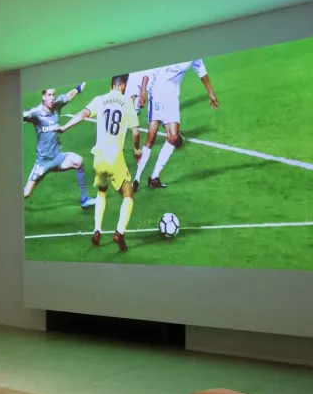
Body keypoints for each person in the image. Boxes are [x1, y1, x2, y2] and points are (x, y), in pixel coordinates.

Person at [59, 74, 137, 252]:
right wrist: (137, 150)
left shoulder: (99, 100)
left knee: (102, 192)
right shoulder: (127, 103)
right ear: (123, 86)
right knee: (128, 194)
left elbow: (83, 114)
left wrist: (65, 127)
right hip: (115, 159)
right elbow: (135, 133)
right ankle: (119, 232)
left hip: (99, 159)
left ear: (111, 85)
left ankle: (97, 230)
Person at [131, 58, 219, 189]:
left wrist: (211, 93)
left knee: (173, 137)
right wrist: (143, 91)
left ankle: (154, 177)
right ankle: (136, 180)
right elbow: (149, 71)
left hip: (172, 97)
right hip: (157, 93)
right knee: (151, 137)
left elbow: (201, 71)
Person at [22, 83, 91, 208]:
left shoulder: (57, 105)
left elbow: (68, 96)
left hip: (58, 158)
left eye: (53, 94)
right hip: (43, 163)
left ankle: (84, 199)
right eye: (49, 95)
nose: (52, 98)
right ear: (43, 97)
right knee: (26, 193)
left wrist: (78, 89)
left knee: (79, 161)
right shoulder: (36, 113)